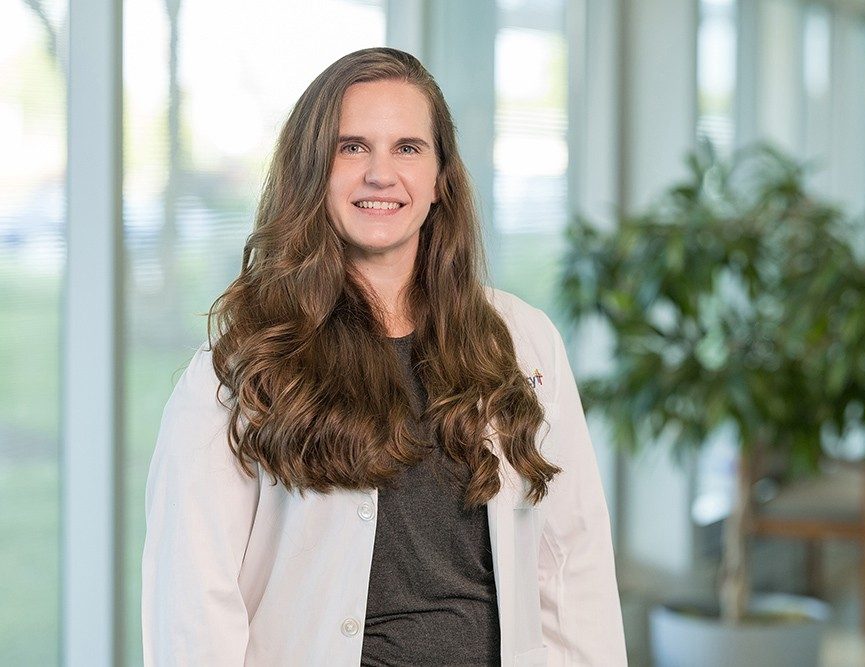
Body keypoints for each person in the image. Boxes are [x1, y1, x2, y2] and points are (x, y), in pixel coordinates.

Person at [141, 47, 626, 666]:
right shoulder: (243, 368)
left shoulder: (522, 341)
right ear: (313, 172)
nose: (380, 174)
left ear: (440, 178)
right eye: (352, 147)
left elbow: (571, 563)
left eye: (407, 148)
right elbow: (193, 602)